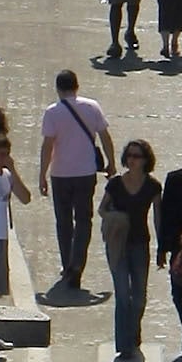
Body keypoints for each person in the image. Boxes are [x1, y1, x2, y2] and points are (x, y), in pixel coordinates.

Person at [38, 70, 115, 289]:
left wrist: (42, 174)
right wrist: (111, 162)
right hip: (86, 173)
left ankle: (67, 264)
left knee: (63, 222)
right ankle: (77, 265)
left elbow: (48, 146)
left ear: (58, 88)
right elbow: (105, 137)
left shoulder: (52, 112)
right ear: (77, 86)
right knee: (83, 221)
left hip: (60, 174)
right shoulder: (92, 107)